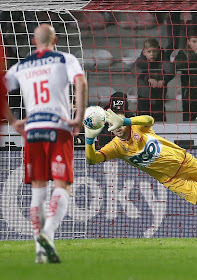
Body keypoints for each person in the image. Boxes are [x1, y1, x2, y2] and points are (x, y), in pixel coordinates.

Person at [84, 109, 197, 238]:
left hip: (185, 162)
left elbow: (149, 119)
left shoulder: (138, 127)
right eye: (111, 123)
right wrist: (90, 139)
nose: (115, 126)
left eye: (118, 121)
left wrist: (126, 121)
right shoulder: (116, 148)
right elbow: (92, 160)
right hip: (172, 180)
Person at [3, 24, 88, 263]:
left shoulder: (21, 65)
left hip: (31, 131)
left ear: (33, 41)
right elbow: (80, 83)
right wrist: (78, 119)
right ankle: (48, 234)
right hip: (58, 127)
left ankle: (39, 251)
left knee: (38, 191)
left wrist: (13, 121)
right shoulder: (65, 58)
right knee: (62, 186)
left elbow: (1, 87)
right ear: (56, 40)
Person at [134, 39, 175, 122]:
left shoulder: (163, 60)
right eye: (149, 52)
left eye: (154, 51)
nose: (152, 54)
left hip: (159, 98)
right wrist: (147, 78)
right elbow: (134, 69)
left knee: (160, 122)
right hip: (144, 99)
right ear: (144, 52)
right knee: (142, 123)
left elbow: (171, 69)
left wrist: (164, 80)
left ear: (159, 51)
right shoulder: (141, 61)